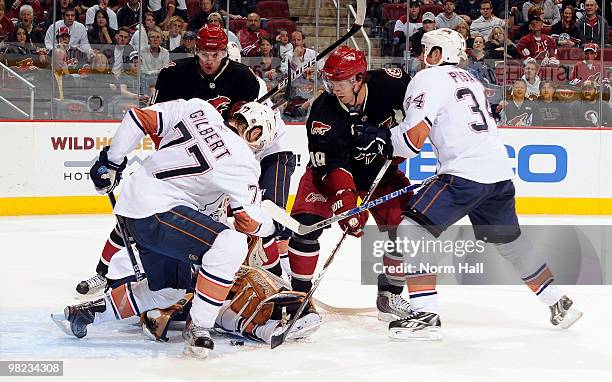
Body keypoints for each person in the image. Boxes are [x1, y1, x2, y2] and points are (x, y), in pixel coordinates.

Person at [371, 28, 582, 339]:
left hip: (463, 175)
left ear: (438, 55)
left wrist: (379, 141)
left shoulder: (428, 79)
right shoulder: (471, 79)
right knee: (511, 244)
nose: (420, 56)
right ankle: (558, 302)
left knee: (412, 229)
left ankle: (426, 315)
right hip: (498, 174)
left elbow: (413, 140)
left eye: (426, 50)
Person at [75, 25, 294, 293]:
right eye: (204, 53)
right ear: (195, 50)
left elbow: (247, 126)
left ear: (225, 52)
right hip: (181, 150)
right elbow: (156, 120)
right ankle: (103, 272)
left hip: (221, 163)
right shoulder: (174, 75)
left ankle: (261, 276)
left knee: (213, 223)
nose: (210, 60)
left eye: (215, 54)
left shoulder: (243, 78)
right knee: (137, 215)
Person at [57, 98, 280, 358]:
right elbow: (250, 224)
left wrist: (112, 161)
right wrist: (273, 226)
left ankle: (85, 313)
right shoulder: (243, 161)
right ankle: (200, 328)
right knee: (231, 244)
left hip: (133, 209)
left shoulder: (200, 108)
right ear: (255, 133)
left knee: (168, 291)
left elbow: (138, 118)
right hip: (160, 214)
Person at [286, 46, 416, 322]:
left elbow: (422, 103)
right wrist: (346, 202)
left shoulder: (390, 84)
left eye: (339, 81)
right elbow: (331, 163)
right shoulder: (324, 110)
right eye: (329, 81)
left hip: (381, 174)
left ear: (359, 79)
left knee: (408, 228)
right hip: (332, 177)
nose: (332, 87)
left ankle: (390, 294)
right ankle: (299, 297)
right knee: (306, 226)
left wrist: (398, 137)